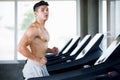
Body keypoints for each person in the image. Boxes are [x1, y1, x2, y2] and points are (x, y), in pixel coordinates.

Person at [17, 0, 59, 80]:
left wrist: (51, 50)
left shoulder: (42, 28)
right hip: (34, 67)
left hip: (41, 65)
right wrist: (37, 60)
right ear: (36, 13)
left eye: (47, 10)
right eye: (42, 10)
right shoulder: (33, 28)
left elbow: (39, 48)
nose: (46, 12)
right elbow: (20, 47)